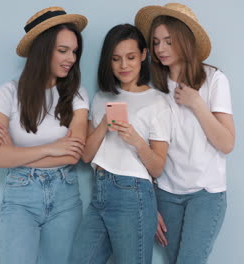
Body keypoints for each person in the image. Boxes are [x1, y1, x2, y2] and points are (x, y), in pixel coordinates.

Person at [0, 6, 89, 264]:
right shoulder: (7, 93)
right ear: (42, 50)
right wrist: (52, 148)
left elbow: (74, 154)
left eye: (74, 51)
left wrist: (15, 155)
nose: (71, 58)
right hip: (20, 198)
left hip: (65, 197)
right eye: (63, 50)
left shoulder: (77, 95)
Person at [135, 3, 236, 263]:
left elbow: (226, 143)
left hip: (206, 194)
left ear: (184, 40)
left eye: (168, 41)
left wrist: (196, 103)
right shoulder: (153, 89)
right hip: (166, 194)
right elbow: (146, 150)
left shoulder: (214, 80)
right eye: (156, 42)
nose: (160, 49)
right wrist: (150, 203)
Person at [69, 24, 171, 264]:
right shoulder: (102, 97)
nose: (123, 66)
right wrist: (105, 122)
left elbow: (157, 168)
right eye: (116, 59)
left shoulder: (157, 102)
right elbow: (86, 156)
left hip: (133, 195)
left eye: (131, 57)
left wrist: (136, 141)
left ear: (144, 55)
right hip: (100, 191)